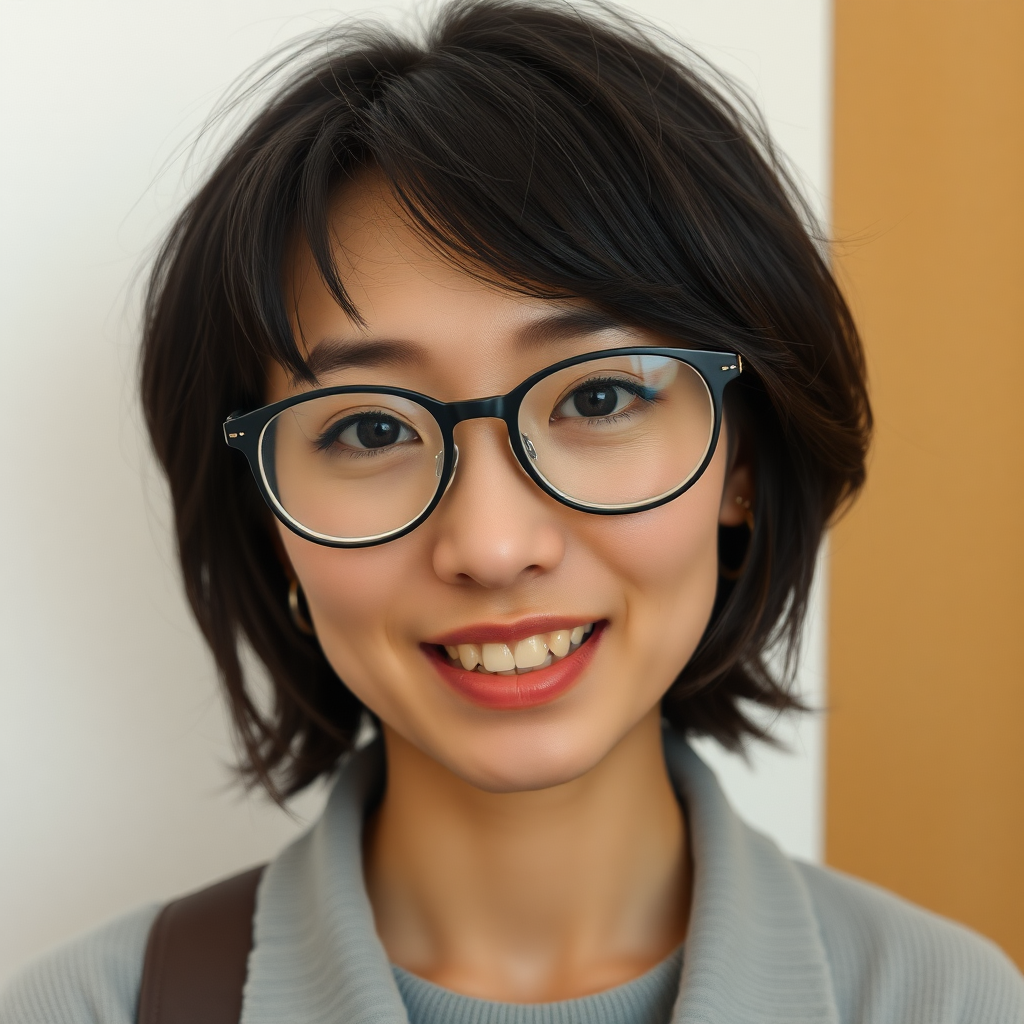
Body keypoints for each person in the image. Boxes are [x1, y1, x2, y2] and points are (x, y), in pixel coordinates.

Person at [3, 1, 1022, 1022]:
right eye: (367, 430)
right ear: (269, 512)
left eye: (597, 397)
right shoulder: (85, 1009)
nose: (491, 546)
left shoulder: (944, 1002)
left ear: (740, 459)